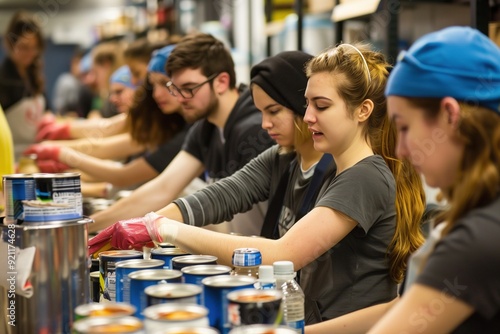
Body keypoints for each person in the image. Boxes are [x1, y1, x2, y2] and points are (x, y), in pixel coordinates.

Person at [89, 43, 426, 323]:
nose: (307, 116)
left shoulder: (364, 176)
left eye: (321, 106)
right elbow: (222, 194)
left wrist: (163, 228)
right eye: (306, 104)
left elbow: (284, 254)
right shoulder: (329, 166)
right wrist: (147, 222)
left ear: (363, 110)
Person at [305, 26, 500, 334]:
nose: (401, 150)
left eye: (405, 128)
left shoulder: (477, 239)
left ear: (450, 115)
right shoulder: (482, 216)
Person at [88, 33, 274, 235]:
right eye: (175, 89)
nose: (181, 98)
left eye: (188, 88)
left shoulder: (254, 129)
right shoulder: (205, 127)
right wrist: (89, 225)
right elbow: (162, 188)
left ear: (221, 81)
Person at [24, 45, 192, 194]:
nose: (154, 92)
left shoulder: (184, 128)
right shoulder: (163, 121)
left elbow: (123, 173)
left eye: (137, 74)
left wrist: (60, 152)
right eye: (153, 84)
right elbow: (108, 137)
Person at [0, 11, 46, 160]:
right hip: (10, 159)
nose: (30, 54)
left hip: (35, 155)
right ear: (10, 43)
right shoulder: (3, 80)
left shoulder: (34, 77)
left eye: (34, 48)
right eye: (24, 47)